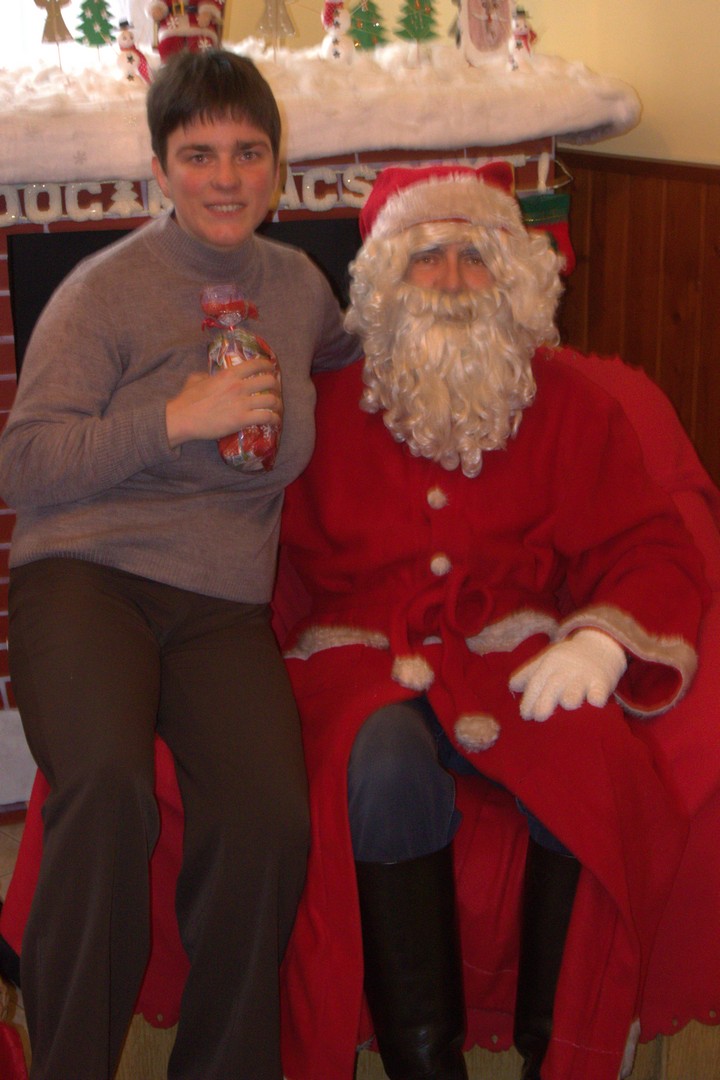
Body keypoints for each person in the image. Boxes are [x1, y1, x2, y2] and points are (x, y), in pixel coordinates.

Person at [276, 164, 709, 1080]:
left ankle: (563, 1055)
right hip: (360, 664)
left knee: (590, 761)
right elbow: (252, 551)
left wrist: (600, 641)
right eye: (425, 255)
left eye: (474, 256)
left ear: (513, 274)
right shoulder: (320, 407)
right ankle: (425, 1066)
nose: (452, 278)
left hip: (511, 655)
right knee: (383, 770)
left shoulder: (571, 402)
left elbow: (649, 543)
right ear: (384, 279)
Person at [0, 48, 360, 1080]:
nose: (226, 177)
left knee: (267, 822)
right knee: (107, 789)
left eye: (249, 152)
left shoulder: (297, 289)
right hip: (86, 575)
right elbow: (24, 462)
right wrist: (172, 419)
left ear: (277, 168)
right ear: (159, 168)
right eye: (199, 154)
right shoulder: (106, 291)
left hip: (220, 606)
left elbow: (356, 353)